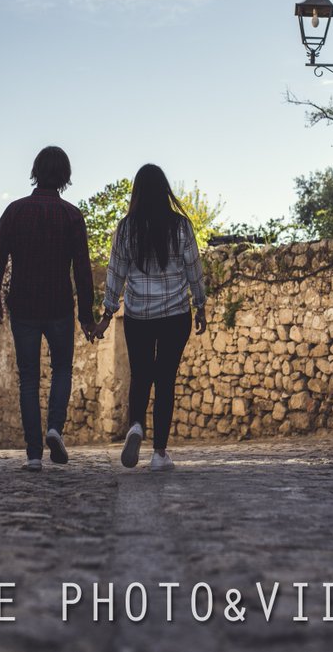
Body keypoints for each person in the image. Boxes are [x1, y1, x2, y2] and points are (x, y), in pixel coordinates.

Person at [0, 146, 96, 472]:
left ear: (35, 172)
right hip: (59, 305)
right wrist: (86, 316)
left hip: (24, 306)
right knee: (62, 370)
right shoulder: (72, 216)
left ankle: (33, 454)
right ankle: (55, 428)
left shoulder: (15, 211)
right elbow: (83, 270)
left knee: (29, 379)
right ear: (65, 177)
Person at [92, 164, 206, 472]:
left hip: (138, 315)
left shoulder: (126, 228)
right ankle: (159, 454)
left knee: (140, 374)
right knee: (165, 379)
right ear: (164, 190)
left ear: (138, 192)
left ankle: (136, 426)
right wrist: (200, 305)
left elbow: (115, 274)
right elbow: (194, 269)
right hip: (175, 314)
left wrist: (106, 315)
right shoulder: (181, 226)